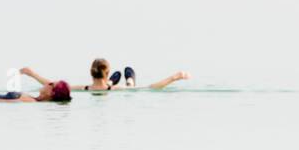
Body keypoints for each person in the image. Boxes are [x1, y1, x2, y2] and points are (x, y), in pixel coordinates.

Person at [20, 62, 190, 92]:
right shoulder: (117, 90)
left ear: (90, 73)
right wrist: (174, 77)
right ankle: (127, 79)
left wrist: (31, 73)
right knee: (130, 87)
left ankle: (114, 80)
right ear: (106, 72)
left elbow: (52, 84)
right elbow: (151, 88)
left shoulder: (82, 88)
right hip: (113, 88)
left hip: (102, 86)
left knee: (127, 87)